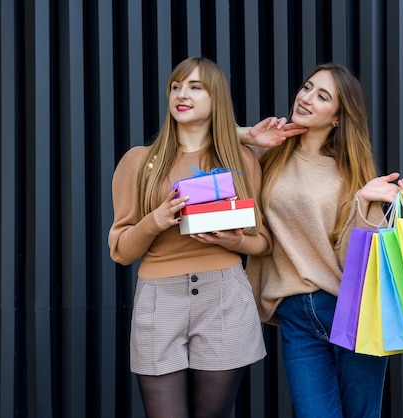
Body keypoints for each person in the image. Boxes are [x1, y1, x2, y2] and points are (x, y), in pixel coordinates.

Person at [108, 57, 281, 418]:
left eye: (195, 87)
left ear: (216, 99)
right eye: (176, 86)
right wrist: (156, 220)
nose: (181, 94)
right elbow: (121, 252)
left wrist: (234, 242)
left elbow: (263, 240)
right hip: (159, 298)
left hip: (225, 296)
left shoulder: (242, 160)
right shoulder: (138, 162)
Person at [240, 63, 403, 417]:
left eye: (322, 96)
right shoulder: (266, 154)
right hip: (295, 314)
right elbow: (201, 133)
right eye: (306, 87)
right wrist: (247, 135)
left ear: (338, 116)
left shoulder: (352, 175)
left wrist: (364, 204)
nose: (306, 98)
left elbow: (357, 265)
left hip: (352, 310)